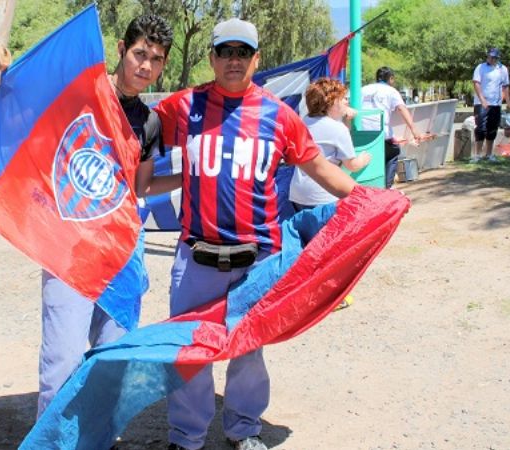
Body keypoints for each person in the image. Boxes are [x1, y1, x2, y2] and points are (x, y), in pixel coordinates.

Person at [154, 18, 358, 450]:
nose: (233, 60)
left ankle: (243, 430)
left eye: (242, 52)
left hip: (257, 261)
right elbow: (125, 123)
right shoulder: (183, 107)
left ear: (256, 59)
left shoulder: (279, 116)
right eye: (224, 51)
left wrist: (367, 202)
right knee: (191, 352)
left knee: (248, 351)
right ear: (211, 58)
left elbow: (320, 168)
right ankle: (186, 437)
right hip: (196, 259)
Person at [0, 13, 179, 420]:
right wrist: (1, 84)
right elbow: (26, 108)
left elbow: (140, 188)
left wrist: (185, 179)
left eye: (156, 59)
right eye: (140, 53)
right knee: (64, 359)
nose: (146, 65)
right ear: (122, 50)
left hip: (122, 251)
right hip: (70, 248)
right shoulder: (82, 93)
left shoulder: (151, 121)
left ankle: (97, 439)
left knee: (112, 359)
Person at [290, 77, 371, 211]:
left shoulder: (304, 121)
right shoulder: (338, 129)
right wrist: (363, 159)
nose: (347, 101)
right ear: (331, 102)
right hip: (324, 195)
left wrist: (344, 116)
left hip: (298, 193)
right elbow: (352, 165)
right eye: (343, 98)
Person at [360, 66, 423, 188]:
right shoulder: (391, 91)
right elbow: (401, 108)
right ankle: (387, 187)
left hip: (363, 134)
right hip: (381, 134)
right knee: (393, 152)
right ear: (391, 78)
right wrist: (414, 130)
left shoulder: (363, 89)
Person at [471, 47, 510, 162]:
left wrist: (507, 102)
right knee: (481, 128)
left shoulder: (502, 69)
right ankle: (477, 155)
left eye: (493, 57)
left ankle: (489, 154)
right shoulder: (481, 67)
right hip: (482, 103)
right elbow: (476, 83)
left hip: (496, 104)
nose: (491, 59)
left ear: (497, 58)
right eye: (489, 56)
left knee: (492, 129)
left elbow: (505, 86)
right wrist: (482, 100)